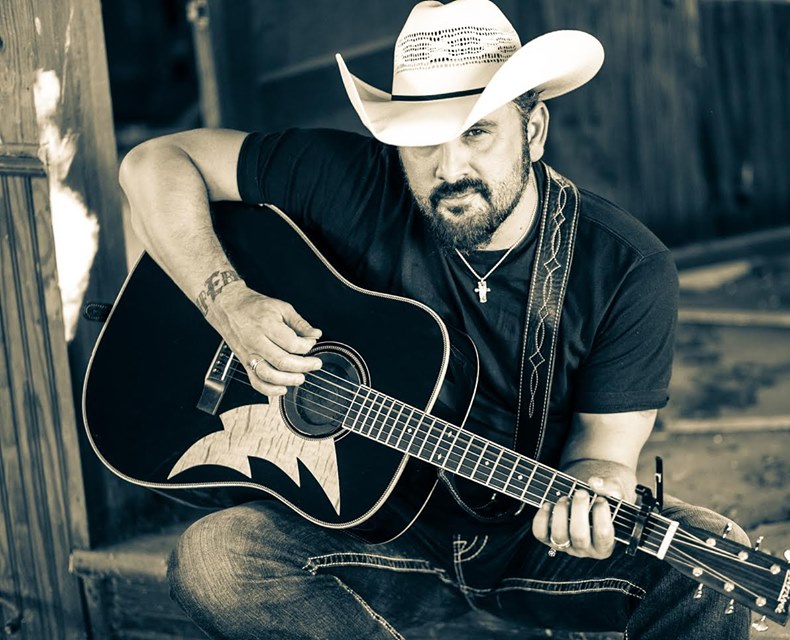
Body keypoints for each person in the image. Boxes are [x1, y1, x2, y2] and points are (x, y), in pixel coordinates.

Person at [120, 1, 750, 637]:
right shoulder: (350, 182)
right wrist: (226, 301)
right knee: (214, 559)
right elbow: (153, 163)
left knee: (711, 563)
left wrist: (593, 493)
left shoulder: (625, 266)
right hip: (371, 532)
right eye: (423, 139)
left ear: (533, 131)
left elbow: (602, 455)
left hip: (530, 545)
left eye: (476, 133)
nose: (449, 170)